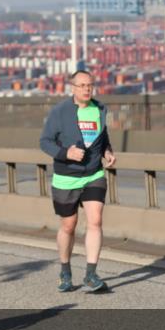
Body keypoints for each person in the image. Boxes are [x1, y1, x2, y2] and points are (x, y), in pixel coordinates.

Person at [39, 70, 116, 293]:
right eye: (81, 85)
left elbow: (103, 136)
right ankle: (65, 270)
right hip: (66, 177)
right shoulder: (60, 112)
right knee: (68, 226)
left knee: (96, 220)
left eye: (90, 85)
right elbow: (45, 142)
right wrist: (65, 153)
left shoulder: (100, 108)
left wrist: (107, 151)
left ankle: (91, 274)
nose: (86, 89)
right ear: (72, 88)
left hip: (93, 174)